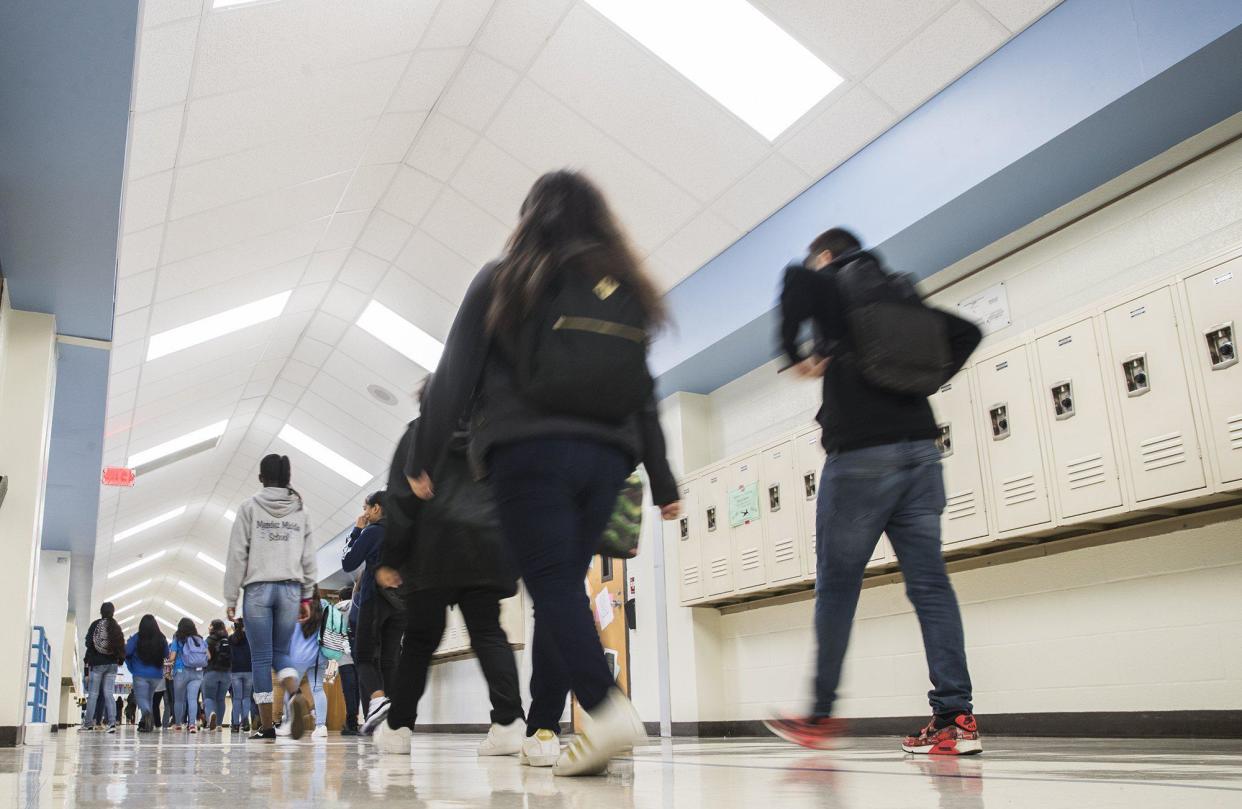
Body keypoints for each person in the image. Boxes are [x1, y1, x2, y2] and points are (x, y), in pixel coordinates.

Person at [401, 171, 680, 776]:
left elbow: (454, 373)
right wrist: (663, 480)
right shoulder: (624, 286)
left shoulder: (507, 277)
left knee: (550, 583)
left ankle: (605, 710)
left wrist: (422, 456)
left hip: (529, 451)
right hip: (607, 457)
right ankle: (550, 727)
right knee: (562, 588)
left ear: (530, 219)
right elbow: (643, 389)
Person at [765, 228, 984, 755]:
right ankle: (955, 717)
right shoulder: (899, 288)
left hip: (862, 456)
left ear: (824, 255)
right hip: (921, 455)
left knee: (837, 590)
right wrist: (920, 379)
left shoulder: (832, 280)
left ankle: (818, 715)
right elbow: (967, 334)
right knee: (930, 587)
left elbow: (794, 281)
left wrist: (793, 354)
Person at [371, 378, 525, 758]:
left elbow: (401, 500)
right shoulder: (491, 431)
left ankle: (399, 729)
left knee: (420, 641)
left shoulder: (417, 435)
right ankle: (509, 724)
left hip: (431, 550)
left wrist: (391, 559)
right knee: (489, 633)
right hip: (485, 547)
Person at [223, 453, 318, 740]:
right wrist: (307, 595)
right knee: (282, 652)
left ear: (261, 477)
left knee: (262, 658)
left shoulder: (249, 507)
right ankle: (293, 693)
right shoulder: (301, 510)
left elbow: (238, 553)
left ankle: (266, 727)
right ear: (288, 476)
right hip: (290, 589)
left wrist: (231, 597)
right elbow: (308, 555)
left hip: (258, 590)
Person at [341, 491, 405, 736]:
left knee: (363, 656)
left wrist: (357, 531)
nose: (365, 513)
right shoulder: (404, 532)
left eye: (366, 508)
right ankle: (392, 721)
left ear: (377, 508)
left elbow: (348, 562)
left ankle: (377, 702)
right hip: (400, 603)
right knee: (390, 660)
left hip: (374, 600)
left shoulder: (372, 531)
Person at [276, 588, 332, 740]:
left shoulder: (295, 606)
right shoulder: (325, 604)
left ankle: (288, 723)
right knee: (318, 689)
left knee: (291, 690)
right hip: (320, 655)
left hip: (298, 655)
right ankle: (321, 726)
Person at [83, 601, 126, 733]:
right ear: (113, 612)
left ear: (101, 611)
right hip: (112, 664)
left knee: (93, 694)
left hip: (97, 663)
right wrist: (119, 660)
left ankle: (89, 724)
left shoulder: (96, 625)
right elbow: (121, 645)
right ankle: (112, 723)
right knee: (108, 694)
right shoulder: (116, 627)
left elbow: (88, 643)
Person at [125, 614, 168, 732]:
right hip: (156, 675)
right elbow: (166, 655)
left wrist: (131, 664)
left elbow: (127, 651)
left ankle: (147, 714)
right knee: (148, 698)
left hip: (140, 673)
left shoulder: (137, 637)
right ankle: (146, 723)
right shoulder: (162, 638)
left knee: (141, 698)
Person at [167, 618, 208, 733]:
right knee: (192, 699)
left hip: (180, 672)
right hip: (197, 672)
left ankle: (178, 724)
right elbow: (208, 656)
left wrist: (168, 666)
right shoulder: (199, 639)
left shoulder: (177, 639)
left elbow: (172, 658)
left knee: (179, 700)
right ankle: (192, 725)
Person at [334, 587, 362, 736]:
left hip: (343, 658)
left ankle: (351, 723)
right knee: (358, 689)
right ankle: (358, 721)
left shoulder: (334, 610)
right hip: (358, 653)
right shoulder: (357, 605)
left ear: (339, 598)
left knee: (348, 690)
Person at [203, 619, 232, 731]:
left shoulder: (209, 640)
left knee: (209, 698)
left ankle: (211, 715)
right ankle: (219, 725)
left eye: (210, 625)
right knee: (221, 699)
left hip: (211, 672)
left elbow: (207, 657)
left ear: (212, 627)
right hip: (226, 674)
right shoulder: (228, 640)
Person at [229, 618, 253, 732]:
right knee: (246, 698)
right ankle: (246, 723)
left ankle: (235, 725)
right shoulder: (251, 637)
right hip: (249, 670)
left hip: (235, 671)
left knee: (237, 698)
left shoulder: (230, 639)